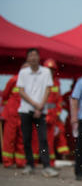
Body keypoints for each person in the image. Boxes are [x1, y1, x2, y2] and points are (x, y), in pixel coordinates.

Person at [17, 48, 58, 177]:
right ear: (27, 58)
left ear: (39, 58)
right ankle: (29, 165)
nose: (33, 58)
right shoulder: (23, 72)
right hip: (25, 110)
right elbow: (21, 91)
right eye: (31, 56)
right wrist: (35, 104)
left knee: (43, 139)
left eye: (35, 55)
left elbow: (47, 90)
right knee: (27, 138)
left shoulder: (45, 72)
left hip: (41, 111)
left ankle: (46, 166)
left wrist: (40, 107)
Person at [43, 58, 70, 162]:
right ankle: (34, 162)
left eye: (52, 69)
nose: (50, 72)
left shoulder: (56, 82)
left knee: (53, 137)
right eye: (48, 69)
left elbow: (59, 100)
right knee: (37, 138)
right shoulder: (39, 81)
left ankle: (51, 161)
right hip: (41, 114)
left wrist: (57, 113)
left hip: (53, 115)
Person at [2, 65, 27, 168]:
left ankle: (20, 162)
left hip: (23, 114)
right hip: (11, 114)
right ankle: (8, 162)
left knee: (22, 138)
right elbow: (5, 95)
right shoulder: (14, 79)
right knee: (9, 138)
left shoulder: (32, 82)